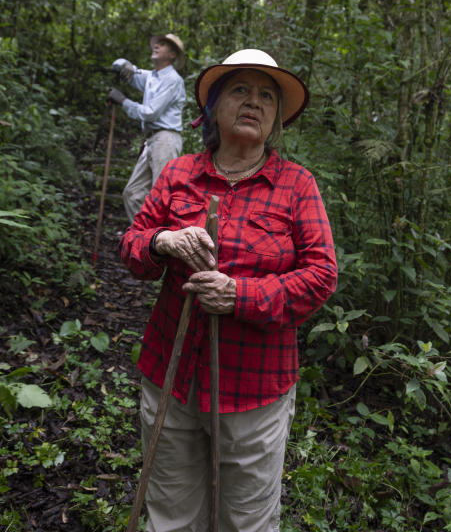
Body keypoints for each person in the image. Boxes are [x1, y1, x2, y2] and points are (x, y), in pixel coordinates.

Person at [119, 49, 337, 531]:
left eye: (266, 96)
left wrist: (241, 296)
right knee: (171, 514)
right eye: (240, 90)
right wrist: (164, 241)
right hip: (171, 376)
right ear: (213, 106)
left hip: (253, 388)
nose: (254, 102)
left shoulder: (297, 186)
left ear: (277, 118)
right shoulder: (179, 174)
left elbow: (322, 274)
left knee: (246, 521)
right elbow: (132, 248)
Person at [109, 33, 187, 223]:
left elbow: (150, 112)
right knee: (132, 193)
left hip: (166, 140)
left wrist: (124, 101)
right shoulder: (151, 77)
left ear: (172, 55)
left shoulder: (172, 80)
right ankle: (145, 238)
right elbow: (120, 66)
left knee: (160, 197)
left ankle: (159, 245)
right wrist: (124, 65)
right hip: (152, 140)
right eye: (157, 43)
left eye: (163, 45)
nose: (157, 46)